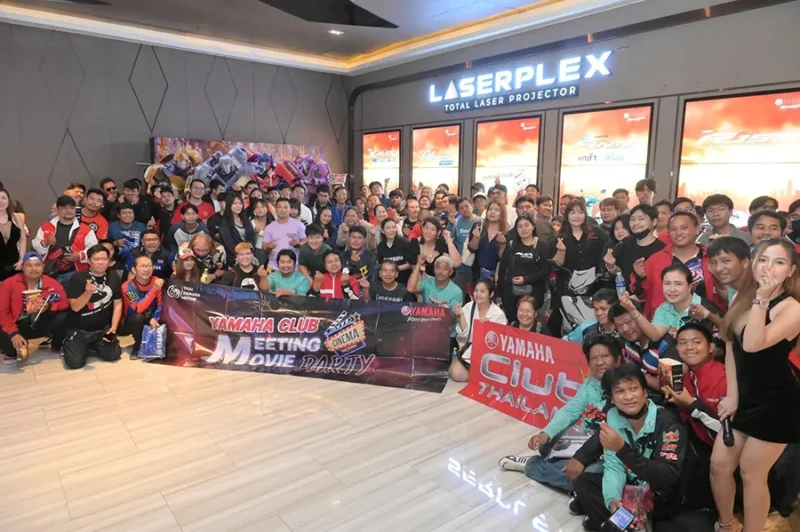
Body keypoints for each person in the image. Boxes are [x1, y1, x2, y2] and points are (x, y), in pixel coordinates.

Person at [711, 238, 800, 532]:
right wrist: (732, 395)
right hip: (745, 398)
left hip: (777, 404)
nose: (769, 268)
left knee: (751, 473)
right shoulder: (743, 296)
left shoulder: (792, 308)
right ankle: (727, 525)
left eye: (779, 262)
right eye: (763, 260)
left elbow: (752, 344)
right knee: (720, 465)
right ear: (753, 264)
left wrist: (762, 299)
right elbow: (731, 344)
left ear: (791, 270)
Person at [572, 363, 714, 532]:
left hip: (667, 499)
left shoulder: (667, 423)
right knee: (585, 483)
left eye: (634, 389)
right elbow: (613, 467)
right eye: (620, 391)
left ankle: (606, 523)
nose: (628, 397)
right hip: (633, 493)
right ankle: (616, 522)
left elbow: (667, 477)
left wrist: (622, 449)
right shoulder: (612, 417)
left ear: (645, 392)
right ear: (611, 398)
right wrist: (613, 502)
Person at [500, 335, 622, 497]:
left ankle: (533, 466)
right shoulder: (590, 385)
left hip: (604, 452)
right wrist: (546, 433)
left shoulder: (624, 389)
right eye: (594, 358)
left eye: (605, 356)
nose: (599, 362)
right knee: (545, 445)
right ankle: (569, 480)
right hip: (582, 440)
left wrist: (581, 459)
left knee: (591, 474)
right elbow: (570, 411)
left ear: (618, 359)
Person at [633, 211, 723, 319]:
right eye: (673, 229)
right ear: (668, 233)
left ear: (697, 229)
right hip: (665, 323)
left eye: (684, 228)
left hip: (706, 321)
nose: (678, 233)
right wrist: (639, 277)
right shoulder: (655, 260)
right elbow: (642, 295)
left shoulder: (711, 258)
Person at [621, 265, 722, 342]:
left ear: (690, 286)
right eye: (667, 283)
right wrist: (633, 311)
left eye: (678, 284)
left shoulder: (707, 308)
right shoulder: (663, 309)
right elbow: (655, 335)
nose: (672, 289)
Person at [0, 252, 69, 364]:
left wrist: (50, 306)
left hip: (41, 323)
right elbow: (2, 311)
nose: (34, 269)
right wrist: (13, 333)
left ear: (43, 266)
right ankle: (13, 351)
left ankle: (57, 345)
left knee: (63, 316)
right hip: (18, 325)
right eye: (29, 265)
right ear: (22, 267)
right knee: (5, 335)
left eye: (37, 265)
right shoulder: (9, 284)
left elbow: (65, 303)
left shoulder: (51, 283)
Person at [667, 323, 727, 451]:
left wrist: (691, 404)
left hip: (726, 452)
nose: (689, 347)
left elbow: (731, 432)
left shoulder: (725, 378)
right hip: (697, 448)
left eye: (696, 342)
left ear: (711, 347)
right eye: (682, 343)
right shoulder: (684, 376)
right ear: (677, 348)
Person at [62, 244, 123, 369]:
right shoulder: (78, 277)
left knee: (114, 355)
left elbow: (118, 303)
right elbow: (75, 307)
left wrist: (113, 327)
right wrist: (88, 292)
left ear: (109, 260)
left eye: (104, 259)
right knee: (75, 364)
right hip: (80, 329)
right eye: (96, 259)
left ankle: (93, 345)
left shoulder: (114, 276)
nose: (101, 262)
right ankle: (72, 343)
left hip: (102, 329)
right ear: (89, 261)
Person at [608, 300, 675, 392]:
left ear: (642, 317)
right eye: (619, 325)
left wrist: (635, 374)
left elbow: (672, 388)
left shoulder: (665, 344)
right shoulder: (622, 343)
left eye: (629, 322)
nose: (625, 329)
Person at [449, 279, 507, 381]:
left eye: (482, 291)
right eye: (476, 290)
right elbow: (463, 335)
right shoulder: (469, 306)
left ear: (491, 294)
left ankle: (483, 375)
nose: (478, 294)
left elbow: (500, 343)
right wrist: (461, 315)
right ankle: (479, 375)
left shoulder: (498, 314)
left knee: (457, 372)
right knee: (454, 373)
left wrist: (488, 328)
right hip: (471, 351)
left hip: (489, 354)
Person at [498, 214, 551, 322]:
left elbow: (545, 271)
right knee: (512, 323)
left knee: (529, 323)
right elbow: (503, 269)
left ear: (533, 226)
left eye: (527, 225)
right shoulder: (511, 245)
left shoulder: (541, 245)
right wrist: (498, 292)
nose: (523, 229)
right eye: (520, 226)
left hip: (533, 293)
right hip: (511, 293)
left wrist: (525, 279)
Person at [33, 195, 98, 283]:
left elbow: (94, 250)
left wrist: (79, 256)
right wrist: (46, 242)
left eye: (72, 208)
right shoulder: (46, 226)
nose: (68, 211)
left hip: (74, 273)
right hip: (49, 273)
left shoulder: (86, 229)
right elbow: (35, 246)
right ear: (58, 210)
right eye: (64, 208)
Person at [605, 204, 665, 294]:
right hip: (624, 296)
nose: (636, 223)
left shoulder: (661, 249)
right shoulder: (626, 242)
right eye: (632, 219)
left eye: (641, 219)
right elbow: (619, 273)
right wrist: (611, 266)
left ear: (654, 222)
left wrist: (639, 276)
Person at [553, 199, 608, 295]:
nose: (577, 216)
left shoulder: (597, 233)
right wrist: (561, 251)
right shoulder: (560, 237)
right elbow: (556, 266)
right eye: (573, 213)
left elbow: (607, 250)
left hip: (593, 285)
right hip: (567, 286)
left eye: (580, 212)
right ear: (567, 215)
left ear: (585, 215)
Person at [408, 255, 463, 344]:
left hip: (446, 336)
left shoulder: (456, 291)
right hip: (426, 332)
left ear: (451, 272)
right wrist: (418, 264)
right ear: (434, 269)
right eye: (438, 268)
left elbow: (452, 318)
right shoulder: (427, 282)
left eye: (445, 269)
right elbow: (410, 288)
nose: (440, 272)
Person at [120, 255, 163, 359]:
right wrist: (154, 289)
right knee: (138, 318)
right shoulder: (127, 286)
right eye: (142, 266)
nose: (146, 269)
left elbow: (161, 304)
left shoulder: (157, 281)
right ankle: (138, 346)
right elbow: (137, 308)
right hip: (131, 321)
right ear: (134, 270)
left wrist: (155, 317)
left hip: (152, 317)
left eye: (149, 266)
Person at [262, 198, 307, 271]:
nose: (282, 210)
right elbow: (264, 248)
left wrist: (298, 244)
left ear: (290, 209)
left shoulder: (299, 225)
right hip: (273, 267)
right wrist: (269, 247)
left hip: (293, 267)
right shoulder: (269, 227)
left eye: (285, 207)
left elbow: (306, 243)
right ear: (276, 209)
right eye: (279, 207)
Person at [468, 201, 506, 281]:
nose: (492, 212)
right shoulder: (478, 225)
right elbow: (472, 249)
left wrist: (502, 244)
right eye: (490, 209)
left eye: (496, 210)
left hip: (496, 274)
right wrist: (476, 237)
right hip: (477, 272)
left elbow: (504, 258)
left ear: (502, 213)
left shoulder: (506, 231)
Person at [218, 195, 256, 266]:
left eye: (240, 203)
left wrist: (249, 252)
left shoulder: (245, 219)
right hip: (234, 258)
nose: (238, 206)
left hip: (249, 254)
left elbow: (252, 237)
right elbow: (230, 245)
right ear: (229, 205)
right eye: (235, 203)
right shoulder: (225, 223)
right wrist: (242, 255)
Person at [0, 188, 26, 281]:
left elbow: (22, 239)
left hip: (15, 264)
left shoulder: (16, 217)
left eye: (3, 198)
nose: (1, 201)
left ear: (8, 200)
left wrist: (22, 259)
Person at [376, 218, 411, 285]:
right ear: (382, 231)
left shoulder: (404, 243)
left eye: (393, 227)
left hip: (404, 281)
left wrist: (394, 269)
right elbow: (381, 265)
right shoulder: (380, 246)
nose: (391, 230)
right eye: (388, 228)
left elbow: (410, 264)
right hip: (387, 281)